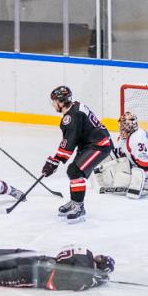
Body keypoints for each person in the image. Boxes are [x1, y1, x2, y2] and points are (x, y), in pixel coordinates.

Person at [40, 85, 113, 223]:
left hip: (99, 145)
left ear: (61, 102)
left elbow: (69, 144)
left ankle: (79, 206)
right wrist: (55, 161)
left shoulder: (71, 117)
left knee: (75, 171)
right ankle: (75, 201)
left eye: (54, 101)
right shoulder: (75, 107)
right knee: (73, 171)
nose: (53, 104)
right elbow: (71, 140)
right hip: (90, 143)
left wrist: (54, 162)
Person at [0, 243, 114, 290]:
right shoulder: (88, 273)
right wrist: (95, 280)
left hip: (33, 256)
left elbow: (62, 256)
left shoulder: (84, 251)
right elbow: (75, 283)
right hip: (35, 275)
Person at [95, 112, 148, 199]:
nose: (121, 127)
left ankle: (137, 184)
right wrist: (102, 164)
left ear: (131, 125)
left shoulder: (137, 139)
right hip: (143, 161)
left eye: (124, 124)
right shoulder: (124, 137)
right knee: (118, 163)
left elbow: (146, 166)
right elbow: (118, 154)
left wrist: (133, 179)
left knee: (123, 177)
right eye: (121, 124)